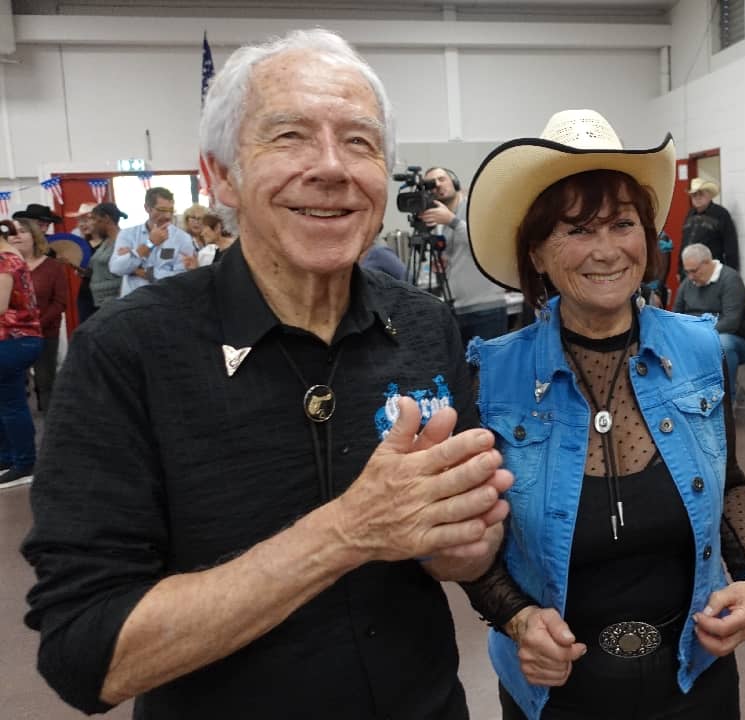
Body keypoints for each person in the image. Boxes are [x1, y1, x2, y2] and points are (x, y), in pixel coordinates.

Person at [23, 29, 512, 719]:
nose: (332, 168)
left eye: (361, 143)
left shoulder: (425, 326)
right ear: (221, 174)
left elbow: (466, 548)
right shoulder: (126, 354)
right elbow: (88, 654)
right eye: (289, 137)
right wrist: (347, 531)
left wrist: (465, 542)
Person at [463, 109, 745, 720]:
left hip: (694, 678)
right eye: (576, 230)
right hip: (555, 691)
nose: (607, 250)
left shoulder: (698, 349)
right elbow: (471, 536)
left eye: (622, 224)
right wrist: (514, 616)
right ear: (536, 253)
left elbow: (730, 483)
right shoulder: (493, 375)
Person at [417, 166, 509, 343]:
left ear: (454, 181)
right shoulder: (440, 220)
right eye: (431, 183)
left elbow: (487, 243)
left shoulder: (475, 206)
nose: (437, 185)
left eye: (441, 179)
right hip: (457, 309)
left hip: (486, 308)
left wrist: (452, 221)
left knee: (489, 369)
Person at [674, 242, 745, 397]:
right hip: (695, 335)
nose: (690, 277)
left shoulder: (730, 280)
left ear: (707, 263)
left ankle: (726, 399)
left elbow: (731, 322)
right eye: (687, 272)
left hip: (733, 339)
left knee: (722, 344)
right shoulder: (688, 283)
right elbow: (676, 314)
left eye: (694, 271)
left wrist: (698, 336)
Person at [0, 220, 42, 489]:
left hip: (15, 340)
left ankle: (25, 462)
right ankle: (8, 458)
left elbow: (0, 307)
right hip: (15, 339)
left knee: (11, 403)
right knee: (5, 403)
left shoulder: (6, 262)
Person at [11, 218, 67, 412]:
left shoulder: (53, 267)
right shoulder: (6, 268)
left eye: (22, 231)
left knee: (46, 383)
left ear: (34, 236)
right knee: (15, 386)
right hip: (12, 335)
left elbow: (60, 302)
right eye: (12, 232)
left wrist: (36, 325)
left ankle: (51, 430)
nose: (16, 236)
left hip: (45, 332)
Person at [107, 186, 196, 297]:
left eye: (171, 210)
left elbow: (182, 276)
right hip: (134, 303)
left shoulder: (183, 238)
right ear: (147, 208)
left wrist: (143, 271)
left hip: (166, 302)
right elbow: (116, 268)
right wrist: (149, 245)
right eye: (162, 210)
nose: (168, 215)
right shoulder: (128, 234)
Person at [680, 177, 738, 273]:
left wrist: (731, 272)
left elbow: (730, 246)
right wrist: (679, 268)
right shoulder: (690, 214)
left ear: (709, 195)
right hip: (688, 270)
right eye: (694, 195)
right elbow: (684, 243)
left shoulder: (721, 214)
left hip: (711, 271)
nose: (697, 198)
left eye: (701, 194)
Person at [86, 202, 126, 310]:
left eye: (95, 219)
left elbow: (127, 269)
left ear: (106, 218)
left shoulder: (123, 241)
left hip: (115, 302)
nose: (93, 223)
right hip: (99, 301)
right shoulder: (105, 242)